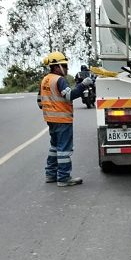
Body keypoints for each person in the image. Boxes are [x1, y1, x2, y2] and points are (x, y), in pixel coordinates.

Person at [37, 52, 94, 187]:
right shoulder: (59, 80)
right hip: (62, 119)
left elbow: (39, 101)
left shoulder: (45, 79)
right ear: (56, 67)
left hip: (51, 119)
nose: (67, 68)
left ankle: (50, 174)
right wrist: (83, 85)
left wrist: (50, 110)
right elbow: (69, 96)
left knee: (54, 147)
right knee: (64, 149)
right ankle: (63, 178)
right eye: (64, 65)